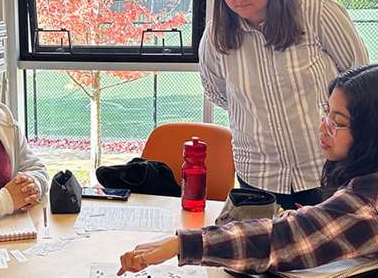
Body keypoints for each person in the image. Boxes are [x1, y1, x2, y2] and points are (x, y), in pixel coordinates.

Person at [118, 64, 378, 275]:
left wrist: (181, 244)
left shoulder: (368, 206)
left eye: (337, 122)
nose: (323, 128)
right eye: (326, 114)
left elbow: (286, 240)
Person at [200, 0, 368, 209]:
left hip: (324, 167)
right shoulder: (214, 36)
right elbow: (217, 93)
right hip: (258, 173)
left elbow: (358, 81)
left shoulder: (316, 12)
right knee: (264, 243)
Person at [0, 53, 49, 226]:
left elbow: (36, 168)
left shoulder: (3, 121)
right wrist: (8, 199)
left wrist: (32, 188)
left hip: (7, 235)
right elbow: (9, 198)